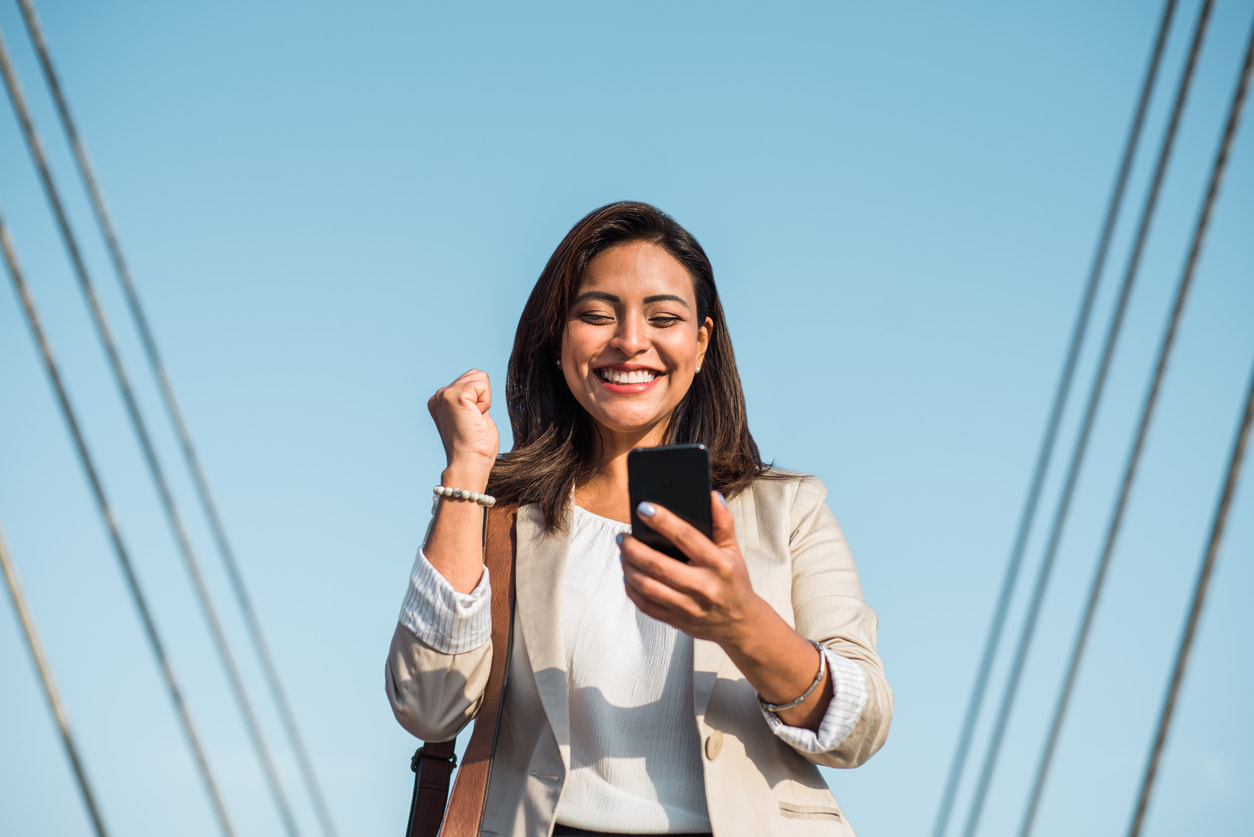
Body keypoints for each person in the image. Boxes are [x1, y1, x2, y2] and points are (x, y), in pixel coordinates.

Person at [386, 201, 891, 837]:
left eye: (664, 318)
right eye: (597, 315)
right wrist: (466, 470)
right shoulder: (504, 513)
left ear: (701, 342)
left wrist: (742, 623)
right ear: (559, 337)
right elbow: (428, 707)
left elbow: (862, 725)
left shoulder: (786, 509)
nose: (630, 340)